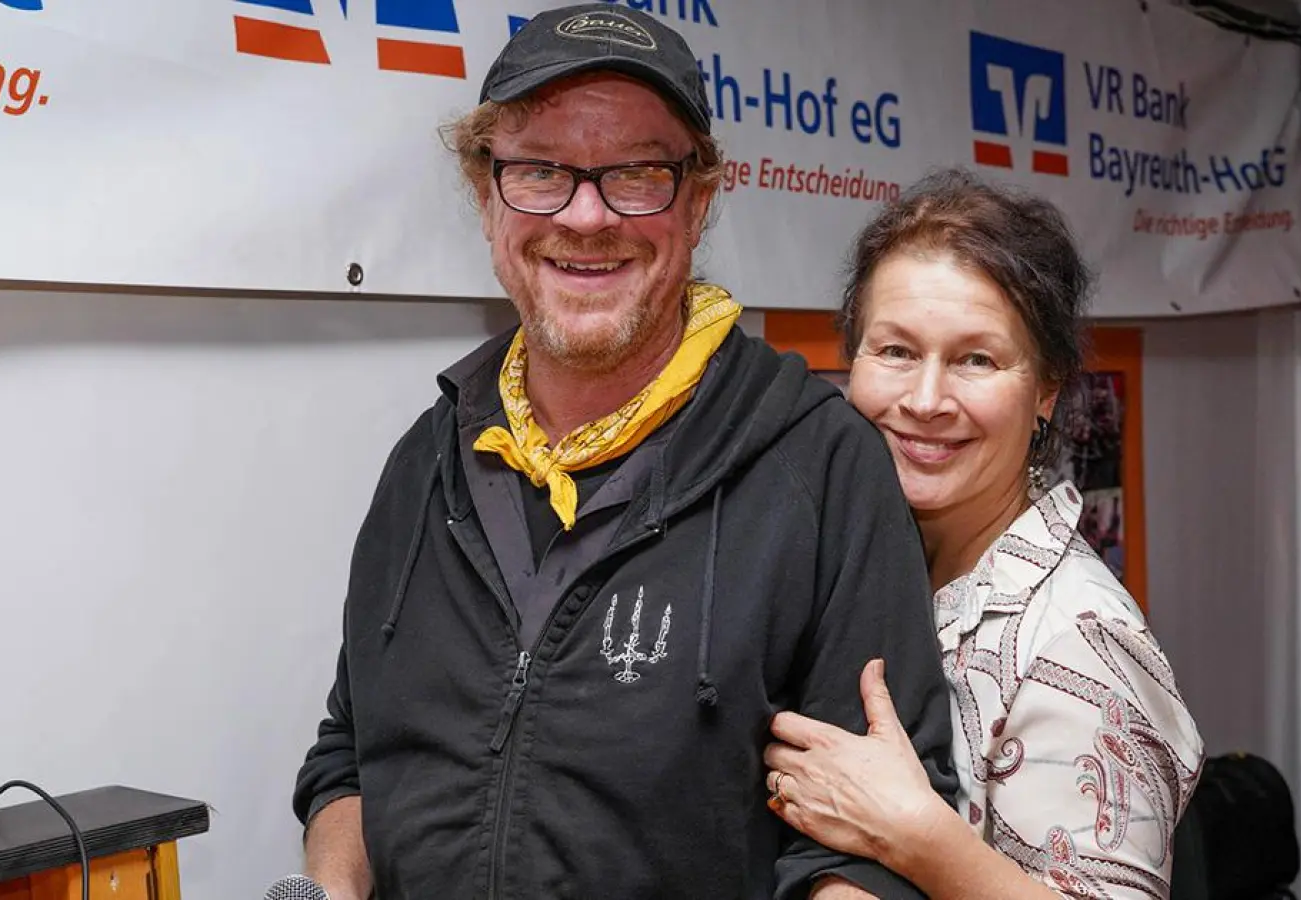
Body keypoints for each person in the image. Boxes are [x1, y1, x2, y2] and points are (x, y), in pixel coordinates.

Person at [289, 6, 957, 899]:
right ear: (485, 196)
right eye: (539, 170)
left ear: (702, 198)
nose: (587, 215)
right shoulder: (425, 462)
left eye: (638, 174)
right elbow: (354, 757)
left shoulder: (823, 469)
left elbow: (871, 852)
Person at [762, 169, 1204, 900]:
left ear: (1047, 390)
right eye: (897, 351)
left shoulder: (1081, 641)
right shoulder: (853, 560)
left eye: (977, 359)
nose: (926, 401)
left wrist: (916, 836)